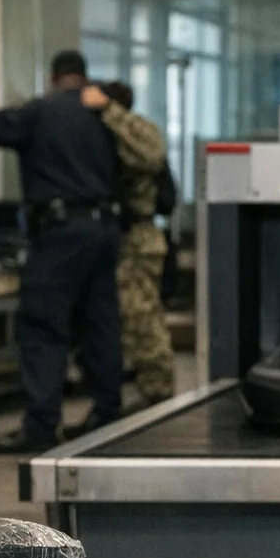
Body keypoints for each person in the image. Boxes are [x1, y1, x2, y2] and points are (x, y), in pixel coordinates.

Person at [0, 49, 122, 454]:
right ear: (83, 76)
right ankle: (108, 414)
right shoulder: (106, 112)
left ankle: (42, 424)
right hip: (104, 228)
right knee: (99, 321)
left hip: (61, 233)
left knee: (43, 325)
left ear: (53, 76)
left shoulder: (39, 111)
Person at [99, 80, 175, 408]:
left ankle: (157, 388)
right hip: (118, 236)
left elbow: (153, 154)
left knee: (141, 314)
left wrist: (108, 111)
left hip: (138, 237)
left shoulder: (135, 131)